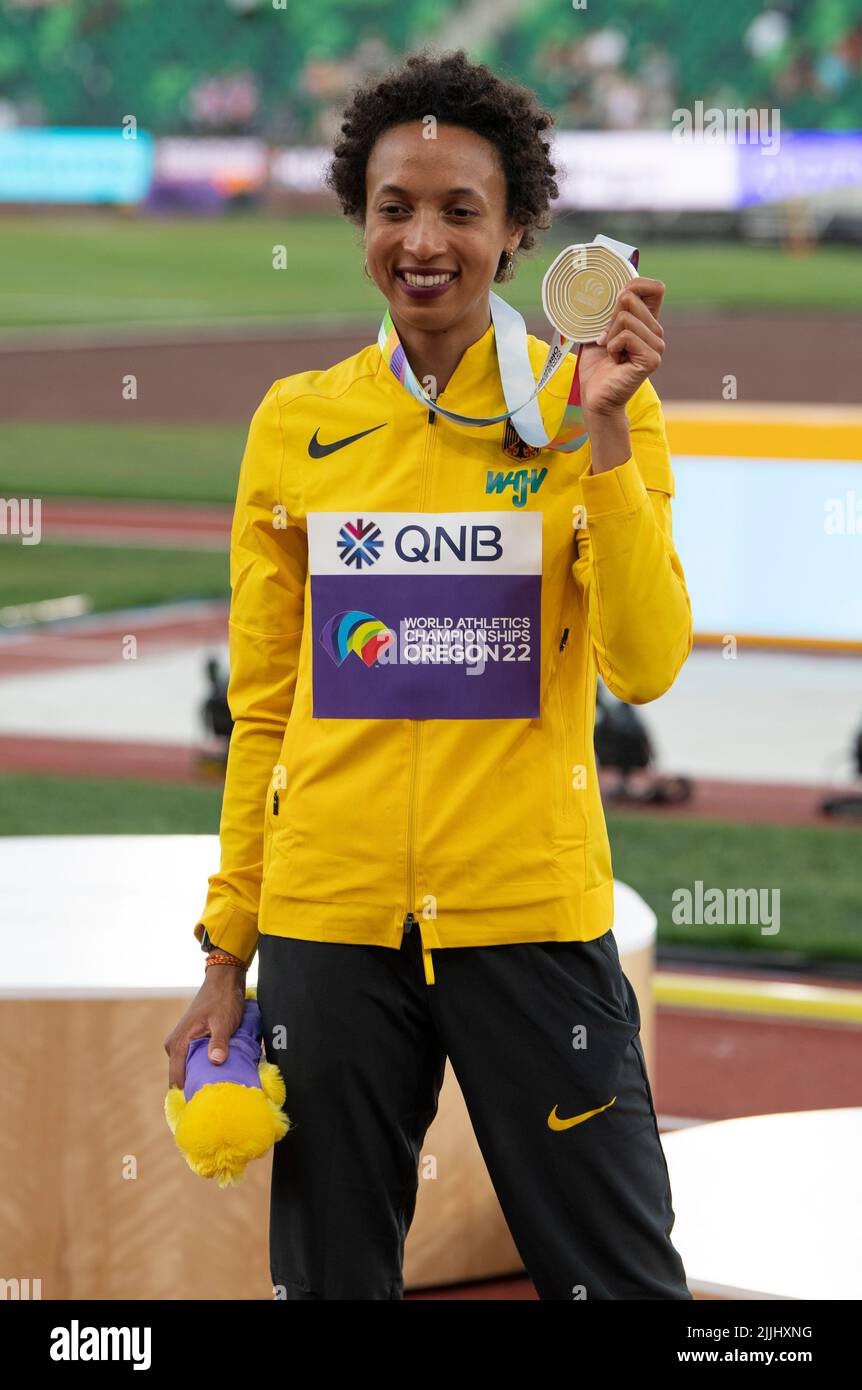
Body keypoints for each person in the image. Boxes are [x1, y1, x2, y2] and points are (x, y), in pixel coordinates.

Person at [165, 48, 694, 1301]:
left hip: (530, 919)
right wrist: (227, 950)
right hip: (327, 926)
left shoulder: (594, 401)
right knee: (332, 1281)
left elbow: (649, 659)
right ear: (359, 220)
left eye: (462, 209)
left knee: (622, 1285)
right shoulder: (296, 420)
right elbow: (265, 707)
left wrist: (607, 431)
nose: (424, 239)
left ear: (515, 235)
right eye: (395, 205)